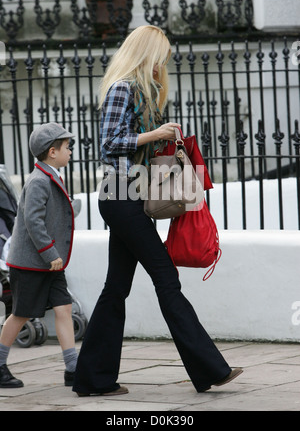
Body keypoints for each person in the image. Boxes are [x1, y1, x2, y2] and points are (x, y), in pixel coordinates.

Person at [73, 25, 243, 397]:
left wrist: (167, 140)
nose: (160, 66)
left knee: (116, 287)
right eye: (159, 59)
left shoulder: (144, 94)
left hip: (132, 194)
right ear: (145, 55)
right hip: (120, 192)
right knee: (166, 278)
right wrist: (157, 135)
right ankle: (210, 369)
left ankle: (91, 378)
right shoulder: (122, 87)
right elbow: (110, 143)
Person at [0, 122, 78, 388]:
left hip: (51, 262)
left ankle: (73, 369)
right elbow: (33, 221)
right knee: (21, 313)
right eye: (68, 147)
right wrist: (49, 252)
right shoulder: (38, 181)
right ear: (52, 152)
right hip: (34, 263)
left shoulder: (51, 175)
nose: (71, 151)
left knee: (64, 308)